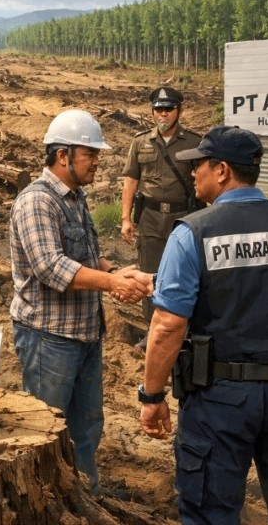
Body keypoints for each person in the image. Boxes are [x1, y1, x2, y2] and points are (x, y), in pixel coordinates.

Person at [138, 126, 268, 523]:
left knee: (211, 512)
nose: (193, 173)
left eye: (199, 164)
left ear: (221, 170)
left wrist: (151, 397)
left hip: (219, 400)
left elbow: (167, 325)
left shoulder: (192, 233)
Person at [9, 109, 153, 497]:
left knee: (87, 422)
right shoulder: (37, 202)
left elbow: (87, 257)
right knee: (45, 426)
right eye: (90, 154)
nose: (97, 162)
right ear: (62, 155)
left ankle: (85, 492)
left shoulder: (75, 199)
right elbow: (50, 268)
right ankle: (43, 498)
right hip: (48, 336)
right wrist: (111, 283)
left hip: (84, 333)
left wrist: (121, 271)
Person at [120, 86, 203, 345]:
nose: (163, 114)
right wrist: (126, 218)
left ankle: (186, 330)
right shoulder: (141, 141)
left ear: (179, 111)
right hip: (151, 218)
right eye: (158, 109)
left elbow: (204, 180)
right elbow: (131, 181)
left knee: (187, 272)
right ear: (152, 111)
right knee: (150, 273)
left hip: (184, 217)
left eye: (169, 109)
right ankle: (152, 331)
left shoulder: (195, 142)